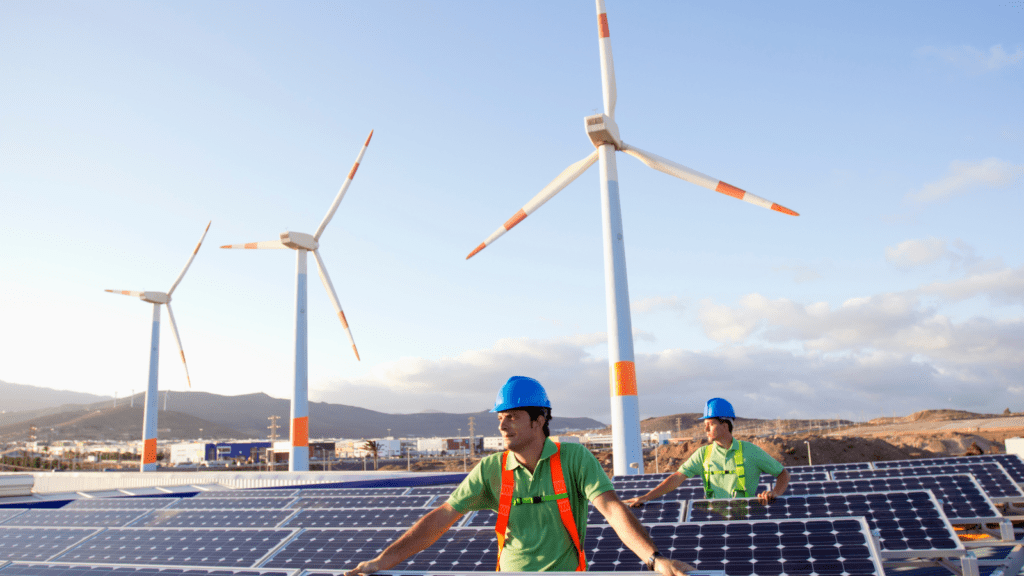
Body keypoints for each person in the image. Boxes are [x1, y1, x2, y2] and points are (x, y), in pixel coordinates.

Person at [344, 376, 694, 575]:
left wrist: (654, 558)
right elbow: (440, 518)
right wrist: (381, 561)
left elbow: (612, 509)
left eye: (512, 416)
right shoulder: (491, 468)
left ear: (539, 420)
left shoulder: (574, 458)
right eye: (500, 417)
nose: (502, 423)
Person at [625, 398, 790, 506]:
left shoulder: (751, 451)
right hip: (714, 521)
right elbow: (676, 478)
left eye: (710, 423)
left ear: (725, 425)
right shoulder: (703, 454)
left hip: (745, 521)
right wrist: (646, 497)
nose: (705, 428)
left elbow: (783, 474)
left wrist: (775, 493)